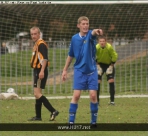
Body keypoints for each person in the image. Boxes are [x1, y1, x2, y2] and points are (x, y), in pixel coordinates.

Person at [62, 16, 103, 126]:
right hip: (79, 71)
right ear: (78, 25)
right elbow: (70, 55)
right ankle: (71, 121)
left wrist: (97, 31)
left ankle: (93, 122)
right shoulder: (74, 38)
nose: (85, 26)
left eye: (87, 23)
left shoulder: (90, 35)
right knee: (76, 96)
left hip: (92, 71)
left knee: (93, 95)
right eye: (83, 24)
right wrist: (64, 70)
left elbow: (94, 32)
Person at [28, 26, 59, 121]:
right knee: (37, 93)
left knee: (37, 93)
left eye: (35, 34)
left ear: (39, 34)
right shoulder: (37, 44)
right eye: (32, 34)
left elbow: (44, 59)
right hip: (37, 70)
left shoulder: (41, 44)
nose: (33, 36)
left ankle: (53, 111)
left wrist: (41, 71)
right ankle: (38, 116)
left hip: (40, 70)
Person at [96, 36, 118, 105]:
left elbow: (114, 55)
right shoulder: (96, 48)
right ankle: (97, 101)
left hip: (109, 64)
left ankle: (112, 101)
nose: (102, 43)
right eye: (100, 41)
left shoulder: (109, 47)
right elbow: (92, 56)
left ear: (105, 42)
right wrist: (97, 65)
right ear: (98, 42)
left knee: (111, 81)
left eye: (103, 41)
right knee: (97, 82)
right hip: (100, 65)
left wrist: (111, 65)